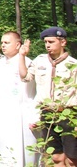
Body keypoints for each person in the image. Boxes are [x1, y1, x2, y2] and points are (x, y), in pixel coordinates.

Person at [19, 26, 77, 167]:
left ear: (63, 42)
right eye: (45, 42)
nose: (47, 45)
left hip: (68, 114)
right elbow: (25, 77)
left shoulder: (73, 65)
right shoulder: (40, 61)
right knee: (56, 157)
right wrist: (22, 56)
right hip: (47, 114)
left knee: (72, 158)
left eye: (51, 42)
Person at [0, 31, 38, 167]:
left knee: (22, 155)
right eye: (2, 43)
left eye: (7, 42)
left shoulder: (27, 63)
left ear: (18, 45)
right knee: (2, 155)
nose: (3, 46)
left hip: (21, 118)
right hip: (1, 118)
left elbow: (35, 91)